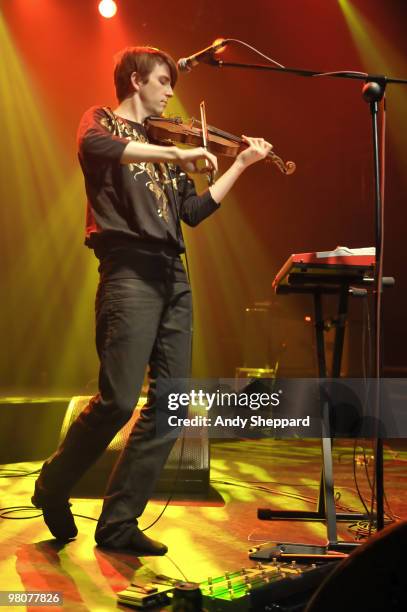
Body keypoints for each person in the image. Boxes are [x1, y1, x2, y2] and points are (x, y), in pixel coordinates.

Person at [32, 46, 272, 555]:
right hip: (128, 271)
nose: (170, 93)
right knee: (118, 400)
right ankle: (53, 484)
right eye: (164, 82)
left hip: (172, 276)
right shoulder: (100, 121)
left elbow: (194, 210)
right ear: (137, 80)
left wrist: (242, 164)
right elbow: (100, 147)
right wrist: (179, 154)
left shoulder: (164, 143)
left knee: (172, 402)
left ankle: (119, 523)